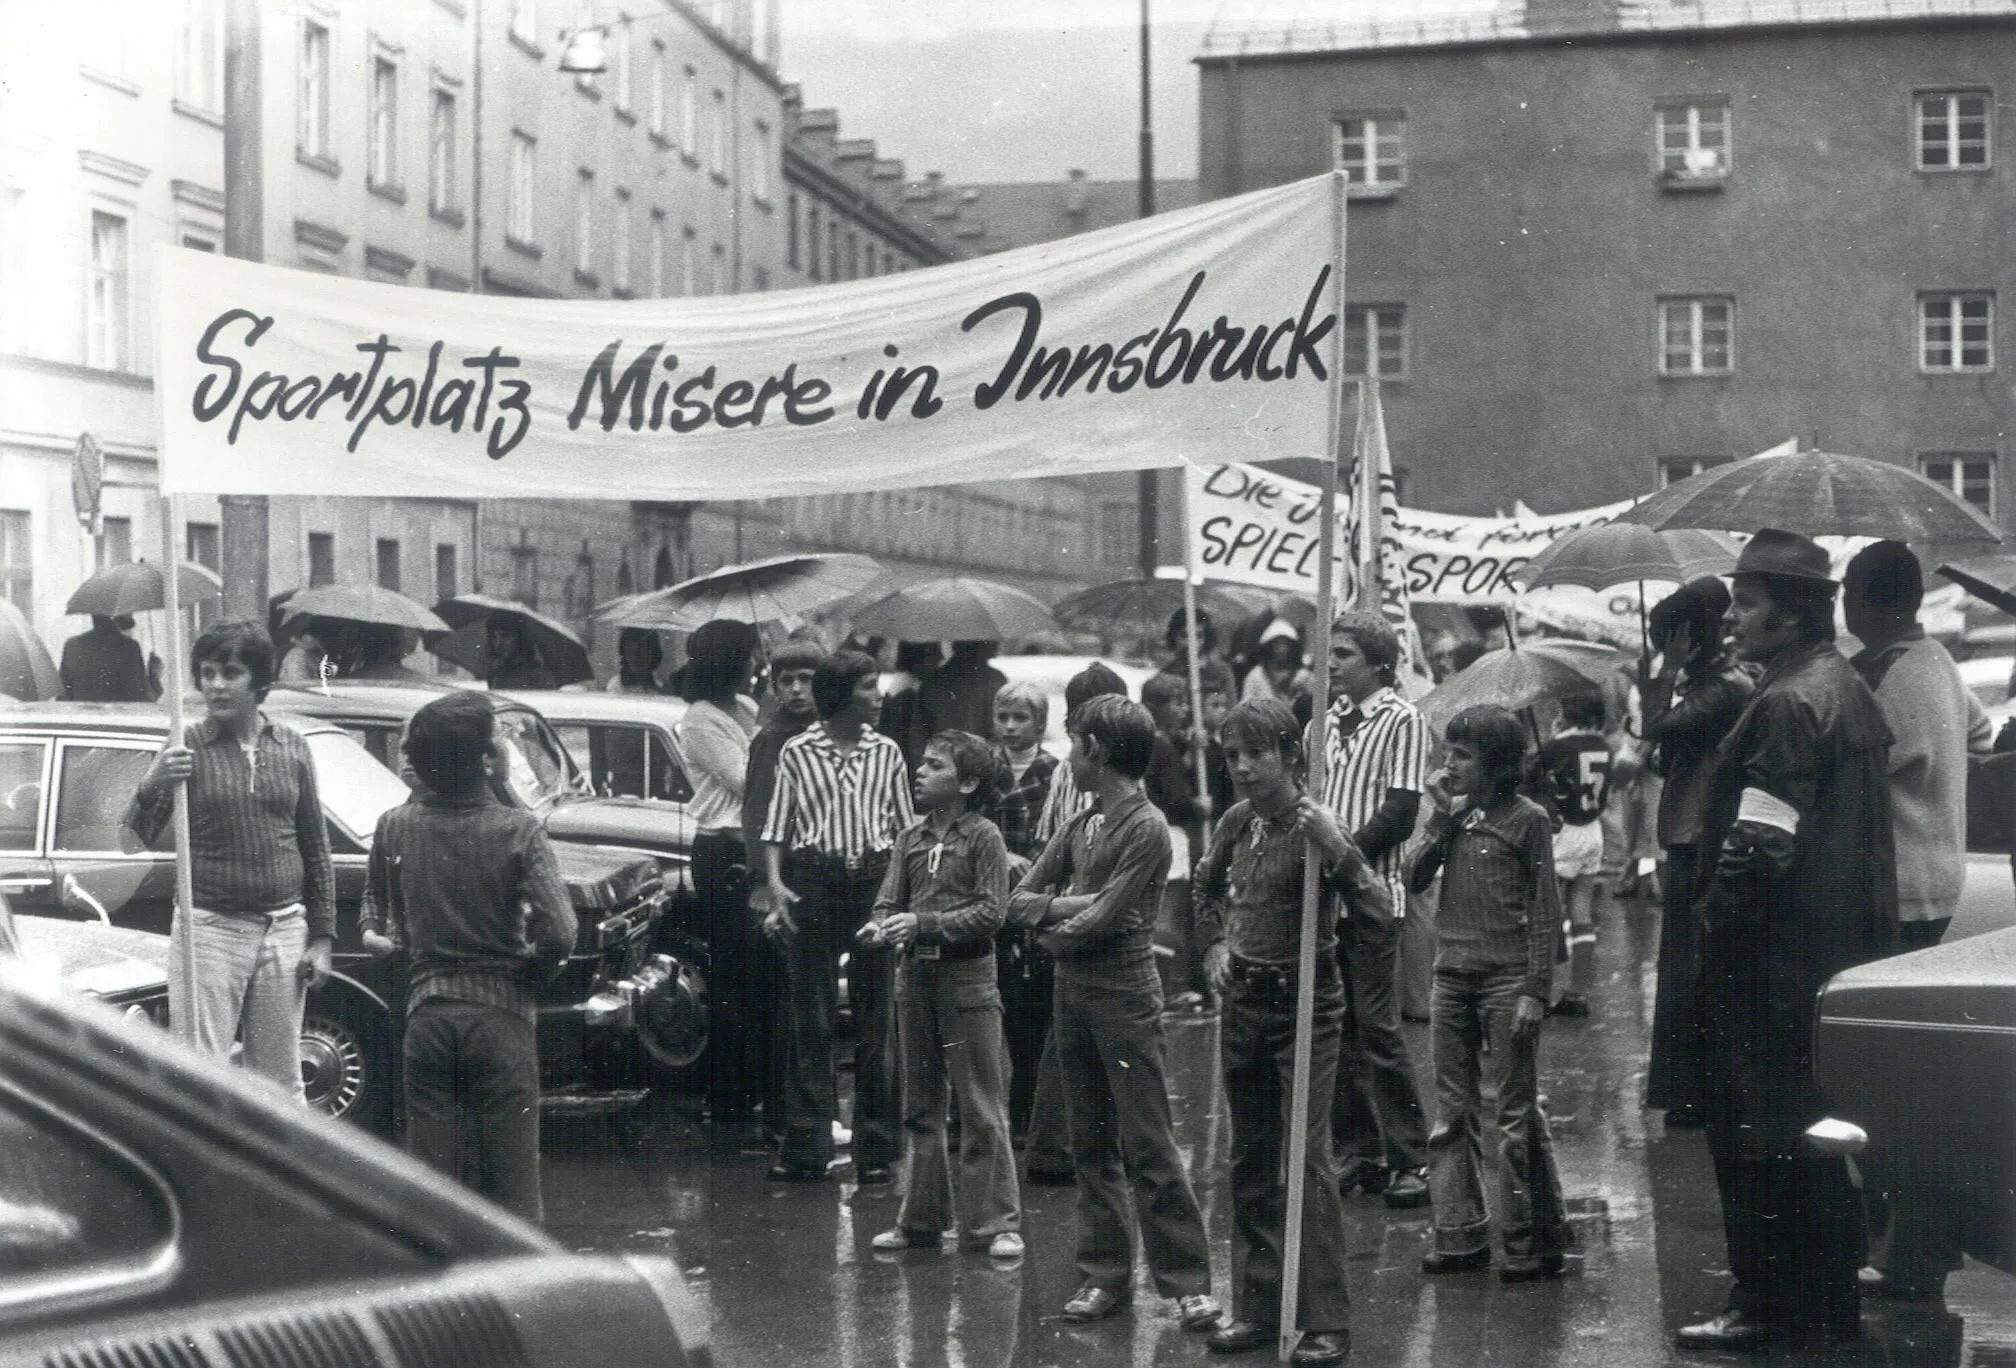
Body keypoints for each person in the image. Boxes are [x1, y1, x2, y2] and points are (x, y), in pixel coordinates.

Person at [1675, 529, 1898, 1352]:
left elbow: (1760, 846)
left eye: (1748, 603)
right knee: (1811, 1137)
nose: (1732, 620)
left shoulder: (1786, 702)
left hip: (1769, 962)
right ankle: (1816, 1301)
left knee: (1755, 1136)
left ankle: (1764, 1301)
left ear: (1796, 613)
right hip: (1825, 957)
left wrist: (1711, 929)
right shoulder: (1838, 684)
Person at [1007, 696, 1221, 1331]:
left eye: (1074, 744)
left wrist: (1049, 922)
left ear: (1096, 750)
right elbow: (1019, 899)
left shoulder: (1148, 826)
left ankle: (1186, 1283)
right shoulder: (1080, 825)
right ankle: (1105, 1275)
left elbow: (1102, 916)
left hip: (1125, 993)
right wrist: (1067, 910)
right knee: (1090, 1143)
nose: (1069, 756)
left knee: (1148, 1142)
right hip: (1073, 993)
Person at [1195, 699, 1382, 1366]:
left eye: (1256, 753)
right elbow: (1204, 888)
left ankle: (1326, 1319)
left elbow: (1380, 911)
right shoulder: (1238, 823)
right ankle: (1258, 1306)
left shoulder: (1318, 825)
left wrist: (1337, 847)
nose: (1243, 767)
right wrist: (1215, 943)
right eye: (1232, 755)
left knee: (1307, 1158)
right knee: (1250, 1158)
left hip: (1308, 998)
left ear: (1292, 756)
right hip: (1244, 995)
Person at [357, 691, 575, 1222]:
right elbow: (562, 931)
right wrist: (533, 973)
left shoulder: (395, 824)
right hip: (501, 1018)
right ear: (485, 759)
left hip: (427, 1017)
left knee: (434, 1180)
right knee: (513, 1180)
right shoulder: (518, 830)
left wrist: (378, 936)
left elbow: (374, 900)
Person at [1842, 540, 1992, 1303]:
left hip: (1901, 887)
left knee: (1890, 1082)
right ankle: (1917, 1243)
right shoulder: (1938, 663)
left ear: (1867, 601)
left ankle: (1910, 1251)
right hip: (1940, 879)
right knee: (1908, 1077)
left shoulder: (1894, 673)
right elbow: (1977, 738)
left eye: (1847, 593)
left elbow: (1875, 758)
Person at [124, 620, 335, 1098]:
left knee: (280, 1084)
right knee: (200, 1078)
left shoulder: (293, 747)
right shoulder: (186, 746)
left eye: (231, 673)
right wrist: (153, 780)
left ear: (259, 682)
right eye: (207, 673)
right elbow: (133, 837)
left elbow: (315, 847)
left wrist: (321, 938)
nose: (216, 684)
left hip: (283, 931)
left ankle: (275, 1175)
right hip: (210, 932)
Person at [1410, 703, 1572, 1281]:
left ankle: (1527, 1238)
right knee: (1450, 1114)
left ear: (1498, 765)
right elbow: (1413, 876)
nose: (1450, 764)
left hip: (1507, 980)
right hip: (1451, 975)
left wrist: (1535, 988)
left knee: (1514, 1112)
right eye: (1447, 752)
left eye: (1463, 754)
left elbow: (1544, 906)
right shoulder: (1456, 816)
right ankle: (1459, 1233)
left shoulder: (1527, 819)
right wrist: (1441, 818)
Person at [866, 730, 1023, 1260]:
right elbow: (888, 901)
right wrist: (881, 924)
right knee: (921, 1103)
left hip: (967, 978)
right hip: (914, 979)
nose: (920, 771)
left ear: (969, 783)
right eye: (923, 762)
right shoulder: (910, 839)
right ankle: (921, 1219)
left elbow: (991, 912)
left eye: (934, 765)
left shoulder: (984, 838)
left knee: (980, 1101)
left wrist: (923, 922)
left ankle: (996, 1223)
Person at [758, 649, 913, 1183]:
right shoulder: (798, 752)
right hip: (814, 883)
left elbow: (904, 832)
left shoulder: (888, 752)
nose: (879, 695)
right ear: (844, 693)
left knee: (876, 1019)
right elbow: (776, 827)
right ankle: (806, 1147)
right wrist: (777, 886)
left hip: (873, 883)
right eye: (870, 686)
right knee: (813, 1015)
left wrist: (899, 896)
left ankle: (878, 1151)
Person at [1315, 611, 1432, 1210]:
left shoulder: (1403, 720)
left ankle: (1411, 1158)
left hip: (1369, 894)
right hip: (1321, 899)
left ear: (1380, 663)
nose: (1331, 663)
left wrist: (1341, 857)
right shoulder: (1324, 722)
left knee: (1380, 1028)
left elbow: (1400, 812)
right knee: (1337, 1031)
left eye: (1345, 654)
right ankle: (1359, 1151)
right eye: (1330, 653)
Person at [1640, 579, 1752, 1126]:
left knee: (1689, 968)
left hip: (1700, 836)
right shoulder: (1716, 682)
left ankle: (1692, 1094)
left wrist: (1663, 672)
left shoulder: (1722, 686)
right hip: (1692, 832)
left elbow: (1654, 727)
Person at [1022, 660, 1129, 1184]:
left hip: (1077, 902)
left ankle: (1055, 1145)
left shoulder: (1075, 767)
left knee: (1069, 1035)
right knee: (1094, 1034)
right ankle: (1066, 1145)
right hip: (1088, 906)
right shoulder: (1085, 770)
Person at [675, 619, 765, 1128]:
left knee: (757, 974)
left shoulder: (748, 708)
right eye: (750, 655)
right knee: (732, 972)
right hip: (722, 848)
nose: (756, 664)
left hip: (750, 846)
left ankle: (752, 1083)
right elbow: (745, 780)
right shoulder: (701, 719)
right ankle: (728, 1093)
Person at [743, 638, 827, 1145]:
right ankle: (782, 1111)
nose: (797, 690)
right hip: (785, 879)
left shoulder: (824, 733)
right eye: (787, 681)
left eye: (808, 680)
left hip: (818, 877)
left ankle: (800, 1110)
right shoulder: (772, 738)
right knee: (790, 1002)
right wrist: (764, 884)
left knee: (807, 999)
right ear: (773, 686)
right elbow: (756, 816)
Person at [984, 679, 1058, 1151]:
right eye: (1003, 718)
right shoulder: (985, 768)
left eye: (1021, 719)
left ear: (1040, 724)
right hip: (990, 894)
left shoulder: (1054, 770)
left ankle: (1027, 1113)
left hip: (1036, 894)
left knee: (1032, 1014)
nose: (1010, 728)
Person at [1533, 690, 1612, 1019]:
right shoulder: (1604, 746)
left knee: (1546, 911)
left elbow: (1532, 777)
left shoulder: (1557, 745)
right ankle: (1577, 991)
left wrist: (1547, 746)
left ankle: (1540, 991)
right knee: (1581, 912)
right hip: (1593, 830)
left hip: (1563, 831)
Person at [1141, 672, 1214, 1014]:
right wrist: (1196, 807)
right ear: (1155, 708)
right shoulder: (1162, 746)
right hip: (1170, 838)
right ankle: (1171, 987)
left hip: (1152, 839)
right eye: (1178, 703)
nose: (1185, 709)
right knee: (1170, 919)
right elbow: (1172, 796)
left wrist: (1189, 746)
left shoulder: (1150, 743)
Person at [879, 640, 943, 776]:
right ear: (918, 656)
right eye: (934, 652)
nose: (940, 657)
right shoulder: (908, 694)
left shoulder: (900, 687)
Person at [61, 613, 158, 702]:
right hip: (117, 719)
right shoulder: (129, 647)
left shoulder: (72, 645)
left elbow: (62, 697)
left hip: (81, 719)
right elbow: (142, 701)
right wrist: (154, 675)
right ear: (115, 615)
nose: (131, 613)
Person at [921, 639, 1007, 738]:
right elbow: (1000, 729)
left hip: (940, 750)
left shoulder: (933, 679)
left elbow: (918, 734)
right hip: (979, 750)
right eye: (990, 639)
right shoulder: (994, 679)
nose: (997, 643)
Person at [1241, 620, 1308, 706]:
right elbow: (1245, 708)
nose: (1282, 649)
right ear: (1269, 647)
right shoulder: (1256, 676)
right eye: (1277, 644)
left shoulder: (1303, 676)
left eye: (1286, 644)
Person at [486, 614, 556, 689]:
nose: (497, 643)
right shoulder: (495, 674)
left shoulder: (539, 676)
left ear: (520, 637)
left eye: (505, 636)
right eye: (493, 637)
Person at [607, 627, 665, 694]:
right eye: (630, 649)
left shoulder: (660, 687)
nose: (635, 656)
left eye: (642, 648)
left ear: (653, 652)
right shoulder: (616, 687)